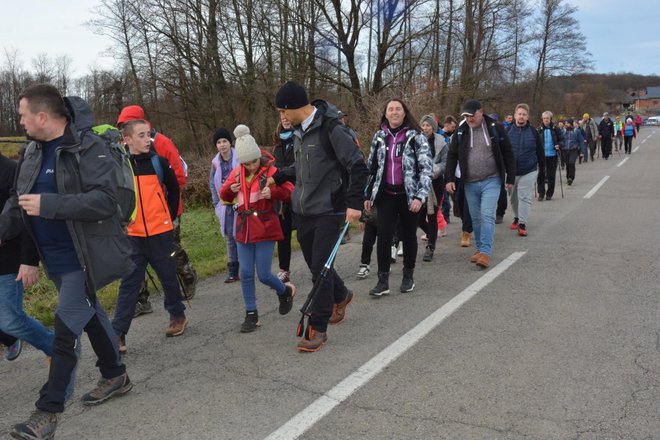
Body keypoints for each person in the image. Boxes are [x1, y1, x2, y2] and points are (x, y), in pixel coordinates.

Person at [0, 84, 132, 439]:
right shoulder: (31, 152)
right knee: (90, 316)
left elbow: (106, 201)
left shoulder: (88, 148)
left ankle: (47, 413)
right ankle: (115, 373)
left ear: (43, 116)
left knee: (65, 332)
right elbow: (20, 205)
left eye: (24, 114)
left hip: (84, 258)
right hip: (54, 260)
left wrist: (52, 205)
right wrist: (18, 248)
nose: (21, 120)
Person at [272, 81, 368, 352]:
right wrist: (280, 175)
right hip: (303, 212)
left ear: (294, 107)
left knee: (320, 272)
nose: (282, 116)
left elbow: (358, 165)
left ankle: (318, 328)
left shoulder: (332, 129)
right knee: (318, 266)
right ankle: (342, 295)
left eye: (282, 111)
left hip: (330, 210)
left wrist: (354, 203)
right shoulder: (300, 131)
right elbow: (303, 167)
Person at [112, 119, 188, 353]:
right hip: (133, 235)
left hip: (160, 233)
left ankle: (177, 315)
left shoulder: (159, 162)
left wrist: (171, 218)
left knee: (167, 276)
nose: (148, 139)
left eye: (148, 135)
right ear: (127, 140)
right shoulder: (120, 166)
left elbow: (174, 189)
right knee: (129, 284)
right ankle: (117, 334)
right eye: (142, 135)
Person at [116, 105, 198, 312]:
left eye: (126, 125)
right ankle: (141, 299)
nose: (122, 130)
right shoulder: (122, 148)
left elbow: (178, 177)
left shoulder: (162, 143)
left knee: (172, 250)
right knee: (135, 260)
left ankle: (187, 276)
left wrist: (158, 194)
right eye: (121, 127)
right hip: (136, 219)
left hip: (165, 210)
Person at [220, 125, 296, 333]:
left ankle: (284, 291)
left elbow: (289, 192)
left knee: (263, 274)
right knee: (245, 273)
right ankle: (251, 314)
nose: (250, 166)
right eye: (245, 163)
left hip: (265, 226)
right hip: (243, 228)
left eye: (253, 161)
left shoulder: (271, 171)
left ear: (258, 157)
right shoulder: (237, 173)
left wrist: (274, 193)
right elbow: (224, 195)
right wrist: (229, 190)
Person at [364, 99, 432, 295]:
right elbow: (372, 168)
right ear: (385, 114)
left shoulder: (416, 136)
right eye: (390, 109)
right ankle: (382, 281)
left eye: (398, 109)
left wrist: (420, 196)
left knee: (409, 236)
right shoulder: (379, 137)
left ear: (404, 113)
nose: (394, 112)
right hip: (386, 194)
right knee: (383, 237)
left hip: (409, 196)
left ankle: (408, 276)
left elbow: (426, 169)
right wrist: (368, 194)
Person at [445, 99, 515, 268]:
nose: (469, 119)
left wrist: (510, 177)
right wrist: (449, 179)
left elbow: (508, 152)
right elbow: (452, 155)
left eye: (472, 115)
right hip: (469, 181)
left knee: (486, 214)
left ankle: (485, 252)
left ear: (480, 112)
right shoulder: (461, 131)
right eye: (466, 116)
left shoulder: (494, 128)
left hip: (492, 179)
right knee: (475, 217)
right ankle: (479, 248)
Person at [0, 152, 54, 362]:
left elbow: (25, 218)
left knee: (11, 320)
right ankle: (9, 339)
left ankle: (57, 348)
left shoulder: (10, 171)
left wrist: (28, 260)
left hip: (6, 258)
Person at [507, 104, 545, 236]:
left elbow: (540, 152)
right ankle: (517, 217)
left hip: (529, 169)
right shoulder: (508, 131)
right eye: (519, 114)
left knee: (524, 196)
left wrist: (542, 171)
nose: (521, 116)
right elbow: (502, 152)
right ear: (515, 115)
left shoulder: (533, 132)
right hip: (511, 171)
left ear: (527, 117)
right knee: (513, 198)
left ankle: (522, 224)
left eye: (524, 114)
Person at [210, 128, 240, 283]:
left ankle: (245, 267)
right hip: (225, 206)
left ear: (230, 142)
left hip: (240, 203)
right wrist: (216, 204)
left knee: (239, 236)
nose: (222, 145)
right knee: (230, 238)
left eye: (224, 141)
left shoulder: (239, 158)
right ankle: (233, 271)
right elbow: (213, 185)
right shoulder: (215, 163)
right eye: (219, 142)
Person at [419, 114, 447, 261]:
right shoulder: (416, 140)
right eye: (423, 125)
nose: (425, 128)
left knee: (432, 215)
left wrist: (434, 169)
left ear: (433, 127)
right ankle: (431, 233)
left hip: (435, 182)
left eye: (428, 125)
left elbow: (445, 163)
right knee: (417, 216)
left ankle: (430, 247)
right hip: (419, 183)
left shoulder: (441, 142)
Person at [272, 117, 296, 283]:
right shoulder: (277, 145)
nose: (285, 120)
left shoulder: (300, 138)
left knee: (305, 233)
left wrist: (282, 175)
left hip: (298, 190)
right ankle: (284, 269)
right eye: (282, 118)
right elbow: (275, 168)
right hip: (281, 193)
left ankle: (316, 265)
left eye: (288, 117)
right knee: (283, 234)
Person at [537, 111, 564, 201]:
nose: (546, 120)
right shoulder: (539, 129)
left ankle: (549, 193)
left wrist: (559, 145)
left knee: (551, 176)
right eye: (544, 118)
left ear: (550, 119)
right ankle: (541, 193)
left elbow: (562, 140)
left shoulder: (555, 128)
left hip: (552, 155)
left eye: (547, 118)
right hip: (542, 156)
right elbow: (535, 141)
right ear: (542, 119)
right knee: (540, 175)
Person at [561, 118, 584, 185]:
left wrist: (582, 151)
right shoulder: (563, 131)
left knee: (571, 163)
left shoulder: (576, 131)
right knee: (567, 164)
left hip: (573, 149)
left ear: (571, 124)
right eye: (565, 123)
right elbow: (560, 140)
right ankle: (568, 177)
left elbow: (581, 141)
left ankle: (571, 177)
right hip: (565, 150)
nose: (566, 124)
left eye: (567, 123)